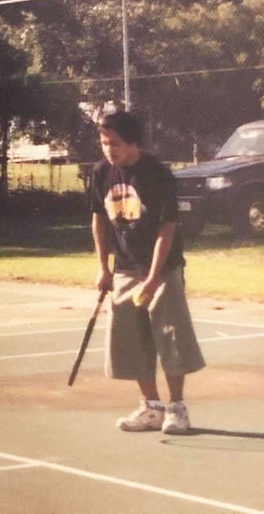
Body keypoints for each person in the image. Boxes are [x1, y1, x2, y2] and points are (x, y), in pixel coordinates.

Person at [89, 110, 205, 434]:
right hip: (125, 269)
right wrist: (102, 267)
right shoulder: (101, 173)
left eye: (114, 143)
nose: (108, 149)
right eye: (103, 142)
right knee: (133, 341)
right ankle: (151, 406)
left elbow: (166, 229)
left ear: (133, 142)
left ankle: (177, 409)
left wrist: (154, 278)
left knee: (171, 339)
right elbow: (99, 218)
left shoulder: (157, 174)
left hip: (163, 269)